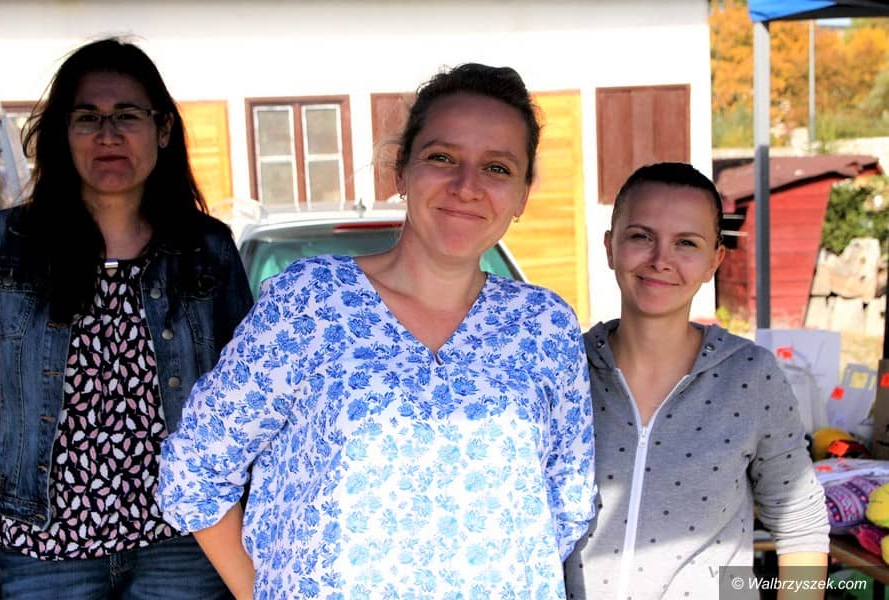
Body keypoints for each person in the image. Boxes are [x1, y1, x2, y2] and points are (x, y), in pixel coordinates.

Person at [157, 62, 597, 599]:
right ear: (400, 171)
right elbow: (197, 467)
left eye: (497, 168)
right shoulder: (311, 303)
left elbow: (566, 503)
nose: (467, 186)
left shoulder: (544, 326)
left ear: (523, 195)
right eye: (442, 158)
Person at [0, 38, 252, 599]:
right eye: (88, 118)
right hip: (40, 546)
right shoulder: (4, 245)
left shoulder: (206, 248)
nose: (108, 135)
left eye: (127, 115)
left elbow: (246, 402)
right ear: (63, 133)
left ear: (163, 129)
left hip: (183, 540)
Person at [563, 162, 830, 599]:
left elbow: (800, 522)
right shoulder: (564, 369)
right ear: (610, 247)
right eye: (641, 236)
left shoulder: (751, 375)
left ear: (714, 261)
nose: (660, 260)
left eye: (686, 243)